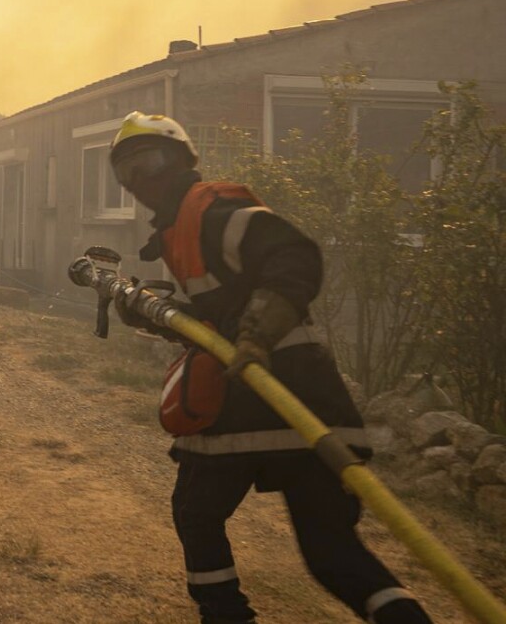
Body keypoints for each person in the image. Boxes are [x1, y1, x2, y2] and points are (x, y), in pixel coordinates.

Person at [108, 111, 430, 623]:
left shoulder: (213, 208)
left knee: (197, 514)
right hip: (310, 404)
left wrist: (257, 337)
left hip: (254, 401)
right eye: (125, 173)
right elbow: (218, 323)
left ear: (181, 158)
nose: (138, 180)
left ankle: (224, 615)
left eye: (147, 162)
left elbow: (294, 256)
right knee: (331, 552)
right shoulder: (180, 226)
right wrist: (153, 312)